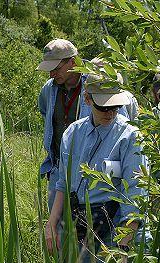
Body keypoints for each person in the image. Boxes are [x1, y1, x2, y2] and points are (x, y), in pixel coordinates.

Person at [45, 73, 148, 263]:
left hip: (118, 230)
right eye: (103, 107)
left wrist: (123, 247)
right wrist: (51, 223)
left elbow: (135, 197)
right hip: (81, 226)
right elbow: (62, 183)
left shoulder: (131, 137)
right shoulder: (72, 134)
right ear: (87, 99)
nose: (110, 113)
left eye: (116, 106)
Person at [37, 39, 139, 211]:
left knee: (93, 231)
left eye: (56, 68)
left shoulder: (97, 84)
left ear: (72, 61)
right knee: (59, 231)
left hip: (94, 178)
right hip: (58, 172)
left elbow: (117, 126)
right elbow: (45, 113)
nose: (51, 74)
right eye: (49, 70)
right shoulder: (49, 89)